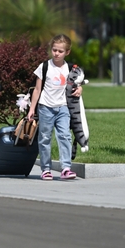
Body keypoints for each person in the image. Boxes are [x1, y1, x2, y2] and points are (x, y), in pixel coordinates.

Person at [27, 34, 80, 181]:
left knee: (65, 136)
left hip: (63, 107)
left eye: (60, 51)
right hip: (45, 107)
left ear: (67, 52)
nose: (56, 53)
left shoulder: (70, 69)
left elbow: (77, 84)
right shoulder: (44, 67)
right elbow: (37, 90)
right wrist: (32, 109)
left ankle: (66, 168)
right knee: (44, 138)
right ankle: (46, 169)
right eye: (54, 50)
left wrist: (80, 89)